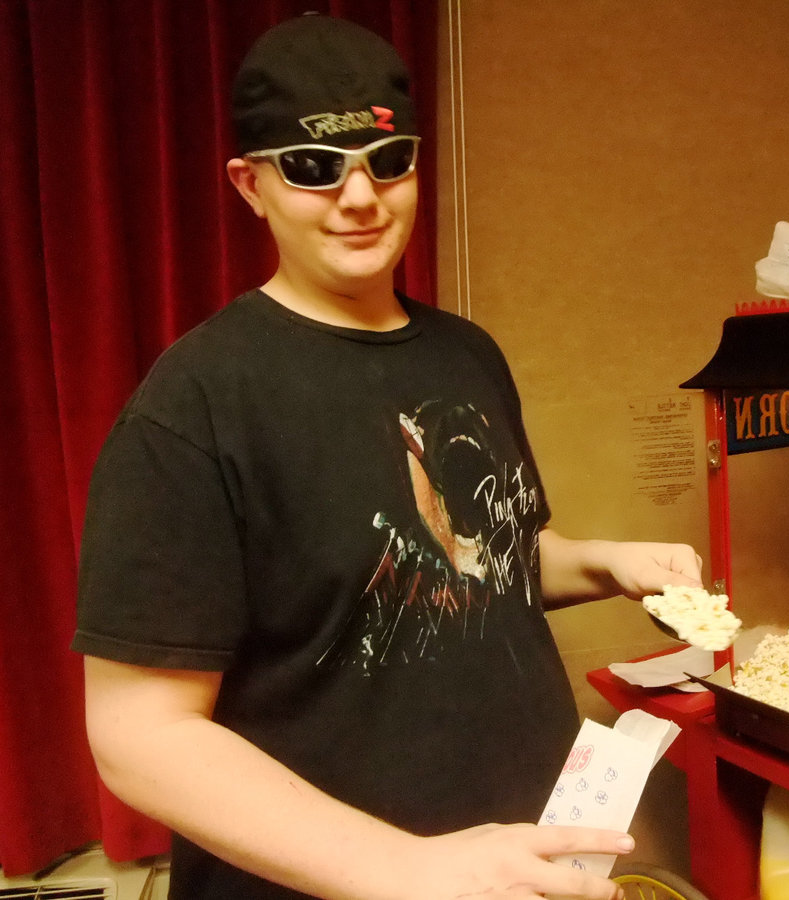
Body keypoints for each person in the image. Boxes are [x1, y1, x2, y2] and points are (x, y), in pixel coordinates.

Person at [72, 14, 702, 900]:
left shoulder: (465, 355)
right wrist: (403, 868)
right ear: (250, 186)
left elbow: (477, 561)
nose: (360, 198)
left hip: (517, 863)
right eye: (313, 168)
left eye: (388, 161)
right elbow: (139, 736)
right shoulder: (197, 403)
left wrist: (605, 563)